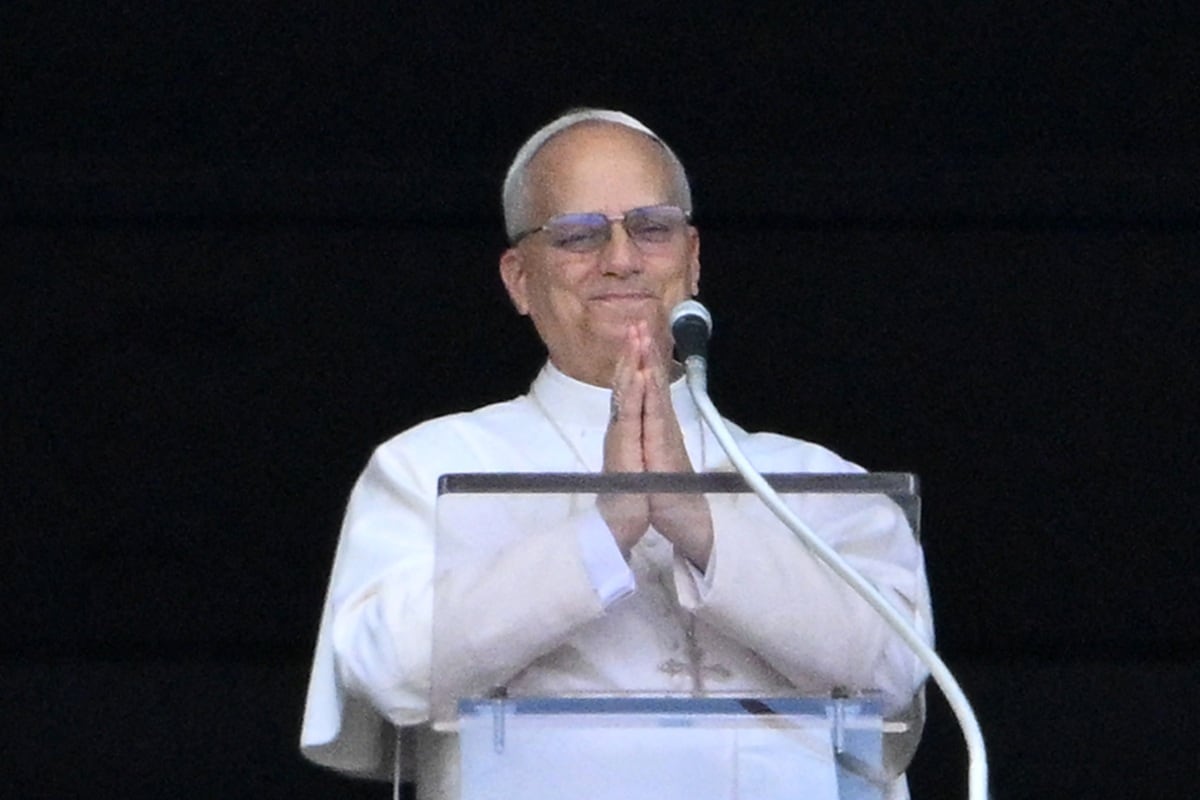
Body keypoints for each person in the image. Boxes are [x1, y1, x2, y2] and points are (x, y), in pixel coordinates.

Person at [300, 108, 933, 799]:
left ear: (693, 260)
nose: (622, 259)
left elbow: (897, 668)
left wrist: (699, 525)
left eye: (652, 229)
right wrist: (604, 533)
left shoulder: (818, 482)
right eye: (579, 235)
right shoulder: (427, 466)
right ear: (519, 279)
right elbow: (385, 669)